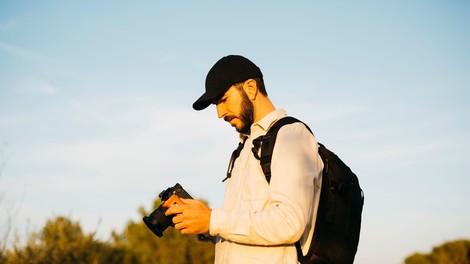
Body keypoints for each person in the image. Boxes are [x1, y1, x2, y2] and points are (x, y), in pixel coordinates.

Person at [165, 55, 324, 263]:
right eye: (216, 104)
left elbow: (289, 222)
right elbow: (243, 231)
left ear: (250, 88)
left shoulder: (291, 135)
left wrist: (212, 219)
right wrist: (201, 222)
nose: (219, 113)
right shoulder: (242, 150)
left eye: (222, 100)